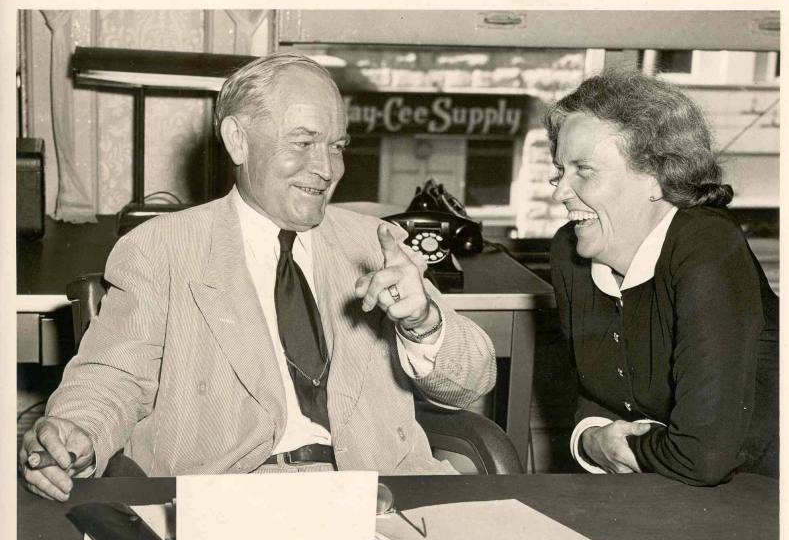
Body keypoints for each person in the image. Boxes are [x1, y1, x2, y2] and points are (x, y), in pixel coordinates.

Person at [19, 51, 496, 501]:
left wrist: (424, 322)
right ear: (238, 140)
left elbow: (472, 381)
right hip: (229, 499)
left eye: (336, 146)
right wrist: (76, 431)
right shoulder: (161, 249)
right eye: (303, 142)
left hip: (378, 497)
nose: (326, 168)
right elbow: (114, 376)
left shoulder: (375, 243)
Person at [546, 68, 778, 486]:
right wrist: (590, 440)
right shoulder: (571, 251)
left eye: (583, 170)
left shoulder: (706, 246)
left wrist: (618, 445)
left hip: (767, 489)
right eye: (559, 170)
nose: (560, 192)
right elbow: (593, 394)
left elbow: (701, 457)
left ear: (655, 178)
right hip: (664, 485)